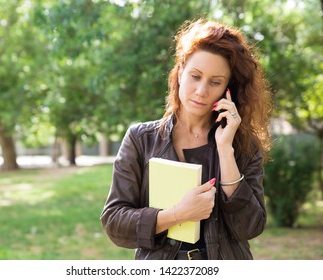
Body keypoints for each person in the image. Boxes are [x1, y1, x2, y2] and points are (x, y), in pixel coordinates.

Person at [100, 18, 272, 260]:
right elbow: (115, 223)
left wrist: (225, 149)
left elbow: (250, 227)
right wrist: (178, 214)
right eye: (195, 76)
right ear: (180, 72)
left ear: (227, 89)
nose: (201, 91)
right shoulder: (140, 140)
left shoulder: (243, 145)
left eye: (215, 82)